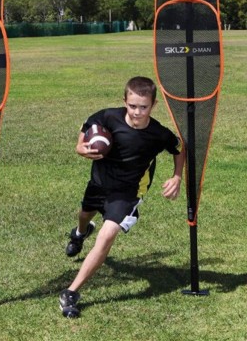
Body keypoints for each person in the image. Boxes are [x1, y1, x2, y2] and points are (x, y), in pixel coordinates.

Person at [59, 76, 186, 318]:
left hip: (128, 193)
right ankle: (80, 233)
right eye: (132, 106)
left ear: (154, 104)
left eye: (144, 107)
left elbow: (179, 148)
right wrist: (79, 146)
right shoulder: (108, 117)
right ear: (124, 101)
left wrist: (177, 177)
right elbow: (87, 125)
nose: (137, 112)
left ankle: (71, 292)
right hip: (99, 183)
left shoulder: (158, 134)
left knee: (107, 235)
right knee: (84, 215)